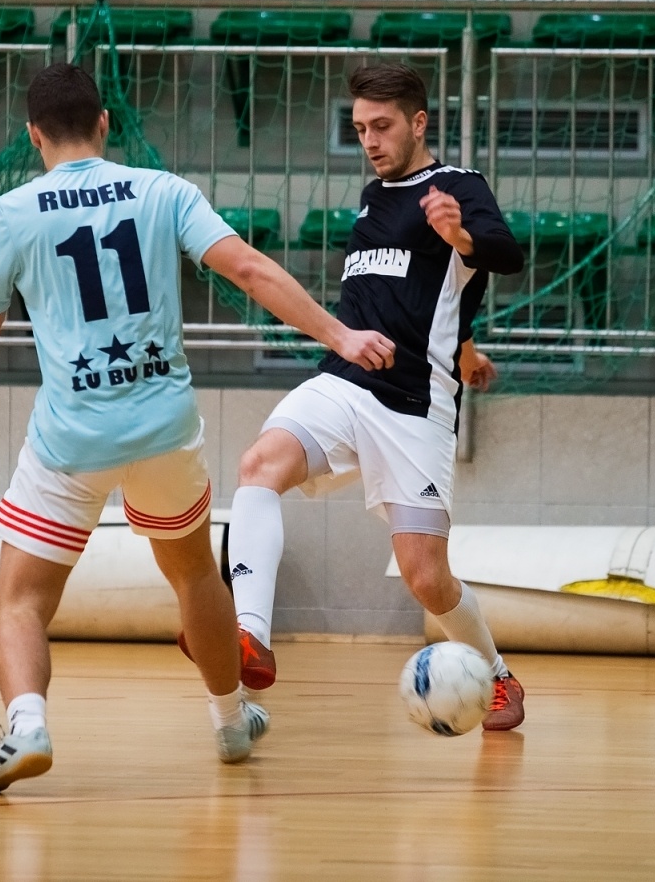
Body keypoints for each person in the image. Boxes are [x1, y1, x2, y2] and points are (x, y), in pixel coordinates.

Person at [0, 63, 395, 792]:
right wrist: (342, 336)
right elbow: (250, 271)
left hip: (72, 441)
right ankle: (230, 720)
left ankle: (28, 724)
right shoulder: (164, 191)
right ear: (105, 123)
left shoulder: (12, 212)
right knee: (195, 574)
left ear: (33, 135)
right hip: (164, 431)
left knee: (23, 601)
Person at [182, 62, 529, 731]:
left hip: (415, 407)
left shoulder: (456, 186)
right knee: (259, 466)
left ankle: (499, 678)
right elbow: (421, 295)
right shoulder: (372, 199)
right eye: (360, 127)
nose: (369, 139)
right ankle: (247, 633)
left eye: (382, 125)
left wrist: (462, 239)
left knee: (426, 577)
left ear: (418, 122)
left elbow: (501, 257)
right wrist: (464, 340)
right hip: (343, 383)